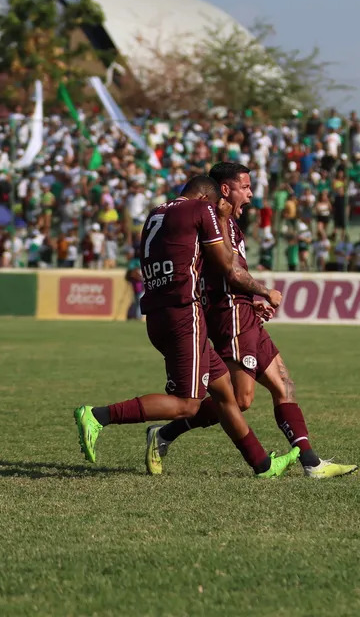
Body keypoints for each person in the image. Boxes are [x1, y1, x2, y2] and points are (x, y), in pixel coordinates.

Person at [73, 175, 298, 478]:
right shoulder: (201, 209)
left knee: (226, 396)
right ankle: (98, 416)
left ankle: (262, 464)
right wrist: (261, 292)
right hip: (184, 314)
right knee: (188, 405)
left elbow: (188, 260)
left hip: (158, 313)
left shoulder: (156, 214)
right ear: (206, 198)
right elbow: (226, 265)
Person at [146, 163, 357, 479]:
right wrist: (262, 292)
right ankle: (164, 434)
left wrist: (252, 300)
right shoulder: (212, 222)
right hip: (228, 316)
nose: (251, 194)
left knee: (284, 385)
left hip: (242, 312)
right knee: (240, 400)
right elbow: (224, 272)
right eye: (245, 187)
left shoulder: (229, 225)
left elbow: (229, 272)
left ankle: (312, 464)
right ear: (226, 190)